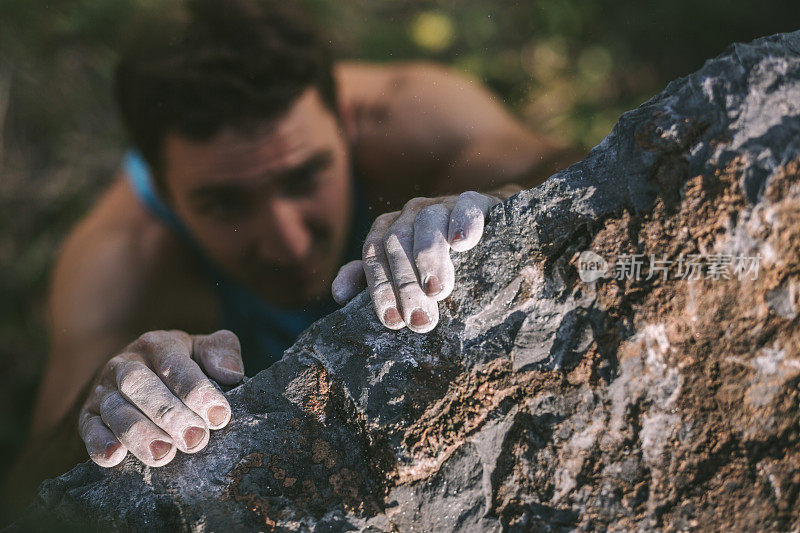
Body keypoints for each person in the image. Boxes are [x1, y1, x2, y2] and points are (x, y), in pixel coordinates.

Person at [5, 0, 580, 507]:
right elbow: (32, 489)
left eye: (306, 176)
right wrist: (109, 403)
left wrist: (496, 212)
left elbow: (577, 176)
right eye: (225, 202)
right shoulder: (122, 260)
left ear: (344, 122)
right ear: (161, 186)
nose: (288, 243)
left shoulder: (413, 119)